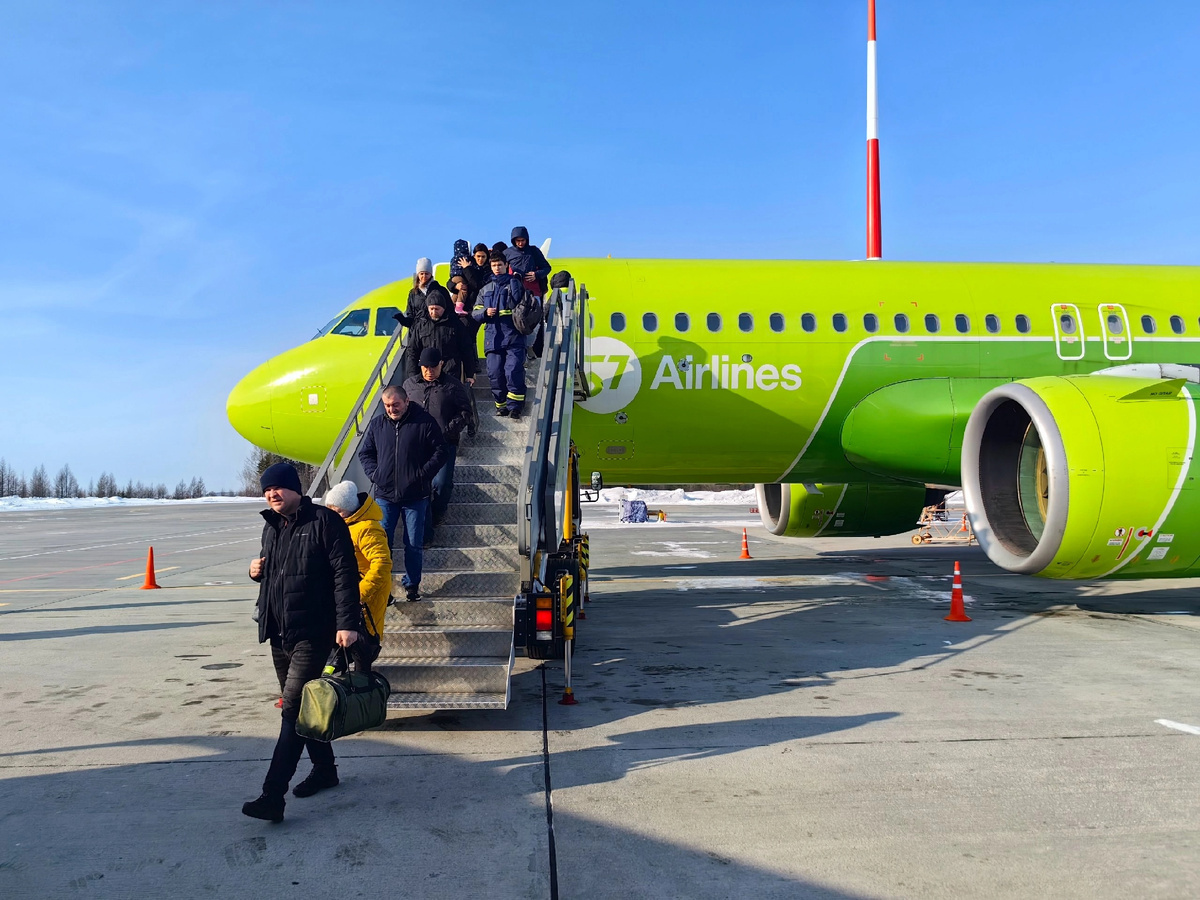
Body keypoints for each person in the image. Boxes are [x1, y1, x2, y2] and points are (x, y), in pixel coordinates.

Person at [242, 462, 360, 822]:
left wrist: (347, 624)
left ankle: (272, 795)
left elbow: (345, 574)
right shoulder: (272, 527)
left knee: (292, 710)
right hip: (279, 632)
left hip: (313, 632)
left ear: (296, 489)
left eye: (277, 487)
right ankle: (325, 770)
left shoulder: (325, 522)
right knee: (305, 708)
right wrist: (255, 572)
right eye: (266, 490)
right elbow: (277, 574)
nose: (271, 494)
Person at [357, 385, 446, 601]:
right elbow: (365, 453)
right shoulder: (377, 425)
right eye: (387, 405)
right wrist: (375, 475)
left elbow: (440, 451)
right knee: (382, 544)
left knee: (413, 544)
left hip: (416, 496)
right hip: (385, 496)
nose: (391, 409)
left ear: (406, 401)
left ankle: (412, 585)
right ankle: (384, 588)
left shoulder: (424, 422)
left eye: (395, 404)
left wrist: (423, 475)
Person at [403, 348, 474, 537]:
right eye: (425, 367)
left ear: (441, 364)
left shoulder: (453, 385)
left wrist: (448, 430)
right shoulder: (409, 385)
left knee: (442, 484)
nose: (429, 371)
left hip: (444, 443)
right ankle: (426, 528)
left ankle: (437, 514)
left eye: (433, 367)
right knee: (421, 486)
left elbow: (466, 412)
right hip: (416, 445)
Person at [322, 480, 391, 643]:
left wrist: (358, 594)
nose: (334, 515)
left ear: (350, 509)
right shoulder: (343, 526)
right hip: (348, 593)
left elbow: (382, 563)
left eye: (338, 511)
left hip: (365, 594)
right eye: (330, 510)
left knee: (363, 641)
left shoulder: (367, 528)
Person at [473, 250, 527, 418]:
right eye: (494, 265)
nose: (497, 268)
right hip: (493, 338)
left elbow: (523, 306)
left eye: (500, 265)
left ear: (506, 266)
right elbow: (475, 312)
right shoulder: (485, 289)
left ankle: (515, 407)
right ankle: (501, 405)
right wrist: (485, 312)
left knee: (513, 370)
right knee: (495, 373)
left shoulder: (515, 284)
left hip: (513, 336)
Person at [403, 291, 478, 383]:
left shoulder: (455, 324)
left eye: (437, 309)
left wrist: (470, 374)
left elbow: (466, 349)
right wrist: (412, 375)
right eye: (431, 309)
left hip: (450, 372)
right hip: (427, 373)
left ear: (443, 308)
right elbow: (413, 351)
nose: (434, 312)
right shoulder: (420, 326)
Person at [504, 226, 552, 297]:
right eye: (518, 241)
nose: (520, 243)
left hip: (533, 290)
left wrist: (536, 274)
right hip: (515, 290)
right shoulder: (507, 253)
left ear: (526, 239)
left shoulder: (534, 251)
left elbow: (547, 268)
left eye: (522, 240)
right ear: (514, 240)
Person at [402, 257, 451, 326]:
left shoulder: (441, 290)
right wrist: (404, 321)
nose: (424, 276)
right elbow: (410, 314)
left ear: (431, 274)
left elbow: (449, 310)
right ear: (418, 275)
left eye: (426, 273)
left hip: (435, 328)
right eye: (421, 273)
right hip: (418, 330)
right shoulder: (413, 293)